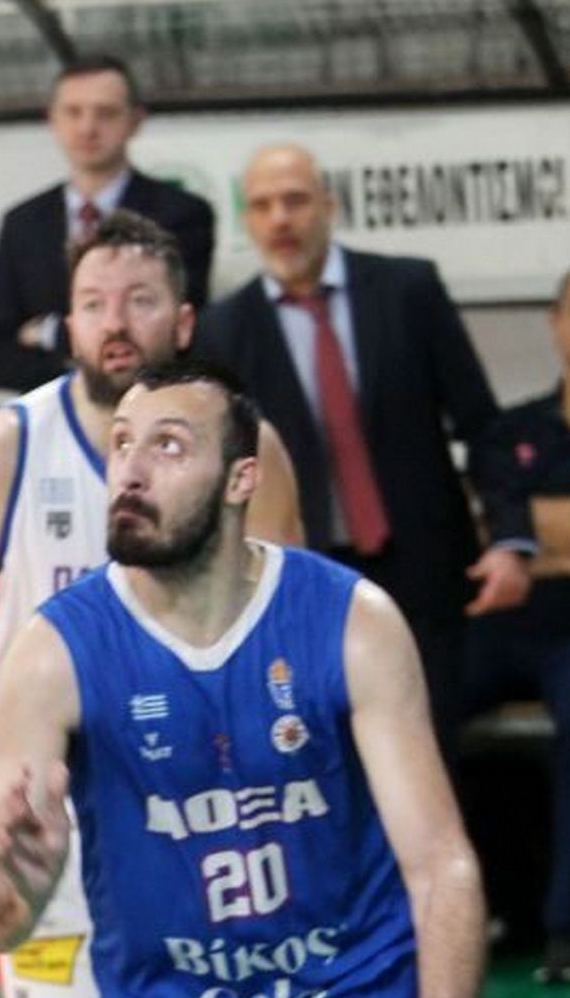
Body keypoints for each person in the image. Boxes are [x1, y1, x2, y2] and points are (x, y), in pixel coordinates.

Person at [0, 358, 485, 998]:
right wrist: (16, 890)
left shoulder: (353, 622)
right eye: (122, 443)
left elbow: (440, 862)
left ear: (240, 480)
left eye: (168, 445)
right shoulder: (54, 652)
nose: (131, 471)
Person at [0, 212, 299, 998]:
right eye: (92, 303)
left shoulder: (248, 453)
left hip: (205, 823)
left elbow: (289, 641)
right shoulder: (2, 453)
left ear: (183, 322)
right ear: (68, 323)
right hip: (46, 825)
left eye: (140, 300)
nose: (115, 323)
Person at [193, 143, 534, 762]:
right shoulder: (226, 328)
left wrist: (510, 540)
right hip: (300, 581)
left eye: (295, 200)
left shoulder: (407, 290)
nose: (280, 219)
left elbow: (483, 425)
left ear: (329, 205)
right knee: (321, 762)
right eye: (262, 206)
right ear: (247, 222)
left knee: (426, 759)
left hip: (423, 575)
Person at [0, 55, 216, 393]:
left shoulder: (181, 214)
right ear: (52, 120)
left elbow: (182, 338)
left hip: (152, 405)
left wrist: (51, 333)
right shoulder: (22, 224)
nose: (87, 127)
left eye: (105, 113)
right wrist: (87, 381)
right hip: (53, 414)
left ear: (135, 120)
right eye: (73, 112)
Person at [462, 268, 570, 984]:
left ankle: (564, 928)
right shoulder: (515, 430)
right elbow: (493, 528)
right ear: (555, 323)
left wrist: (538, 535)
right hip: (506, 623)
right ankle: (479, 907)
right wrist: (526, 536)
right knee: (415, 700)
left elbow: (528, 530)